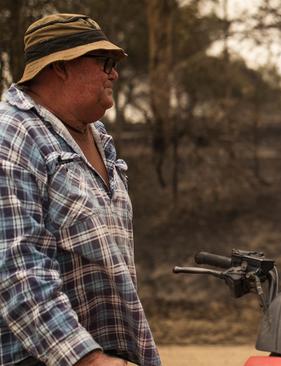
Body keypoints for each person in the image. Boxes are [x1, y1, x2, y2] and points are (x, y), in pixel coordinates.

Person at [0, 14, 161, 365]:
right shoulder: (11, 137)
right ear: (60, 66)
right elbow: (15, 268)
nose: (114, 74)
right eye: (104, 62)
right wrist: (87, 358)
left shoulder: (99, 136)